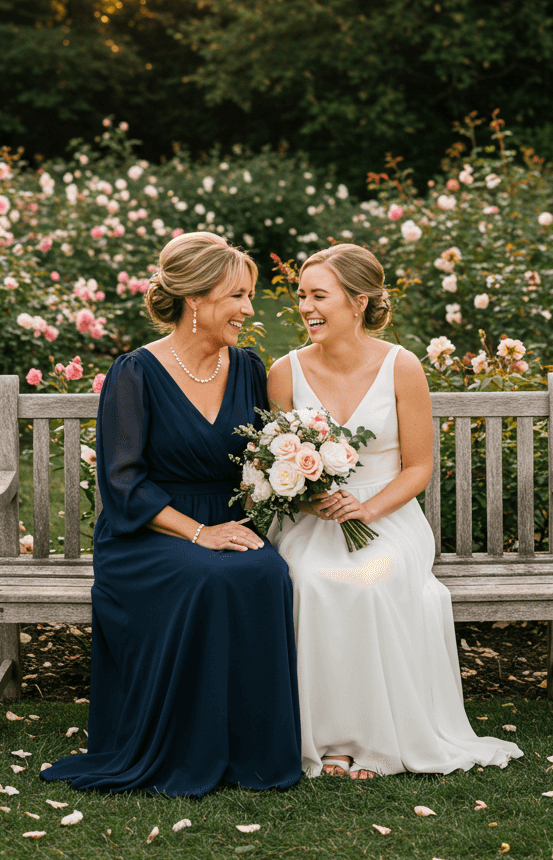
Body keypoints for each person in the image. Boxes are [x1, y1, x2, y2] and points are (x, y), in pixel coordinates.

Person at [41, 232, 301, 797]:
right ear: (196, 300)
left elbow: (268, 451)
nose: (249, 310)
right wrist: (200, 532)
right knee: (206, 575)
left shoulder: (251, 368)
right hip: (146, 531)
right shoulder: (136, 372)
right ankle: (185, 745)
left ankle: (251, 752)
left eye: (249, 295)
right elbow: (123, 484)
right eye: (237, 296)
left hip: (226, 523)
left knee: (267, 573)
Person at [267, 243, 522, 780]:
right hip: (312, 518)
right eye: (301, 296)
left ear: (358, 302)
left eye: (320, 296)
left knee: (373, 582)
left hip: (387, 517)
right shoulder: (284, 373)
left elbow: (417, 467)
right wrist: (313, 496)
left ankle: (379, 742)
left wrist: (365, 508)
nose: (306, 308)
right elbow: (279, 460)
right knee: (311, 581)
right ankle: (329, 741)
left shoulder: (401, 366)